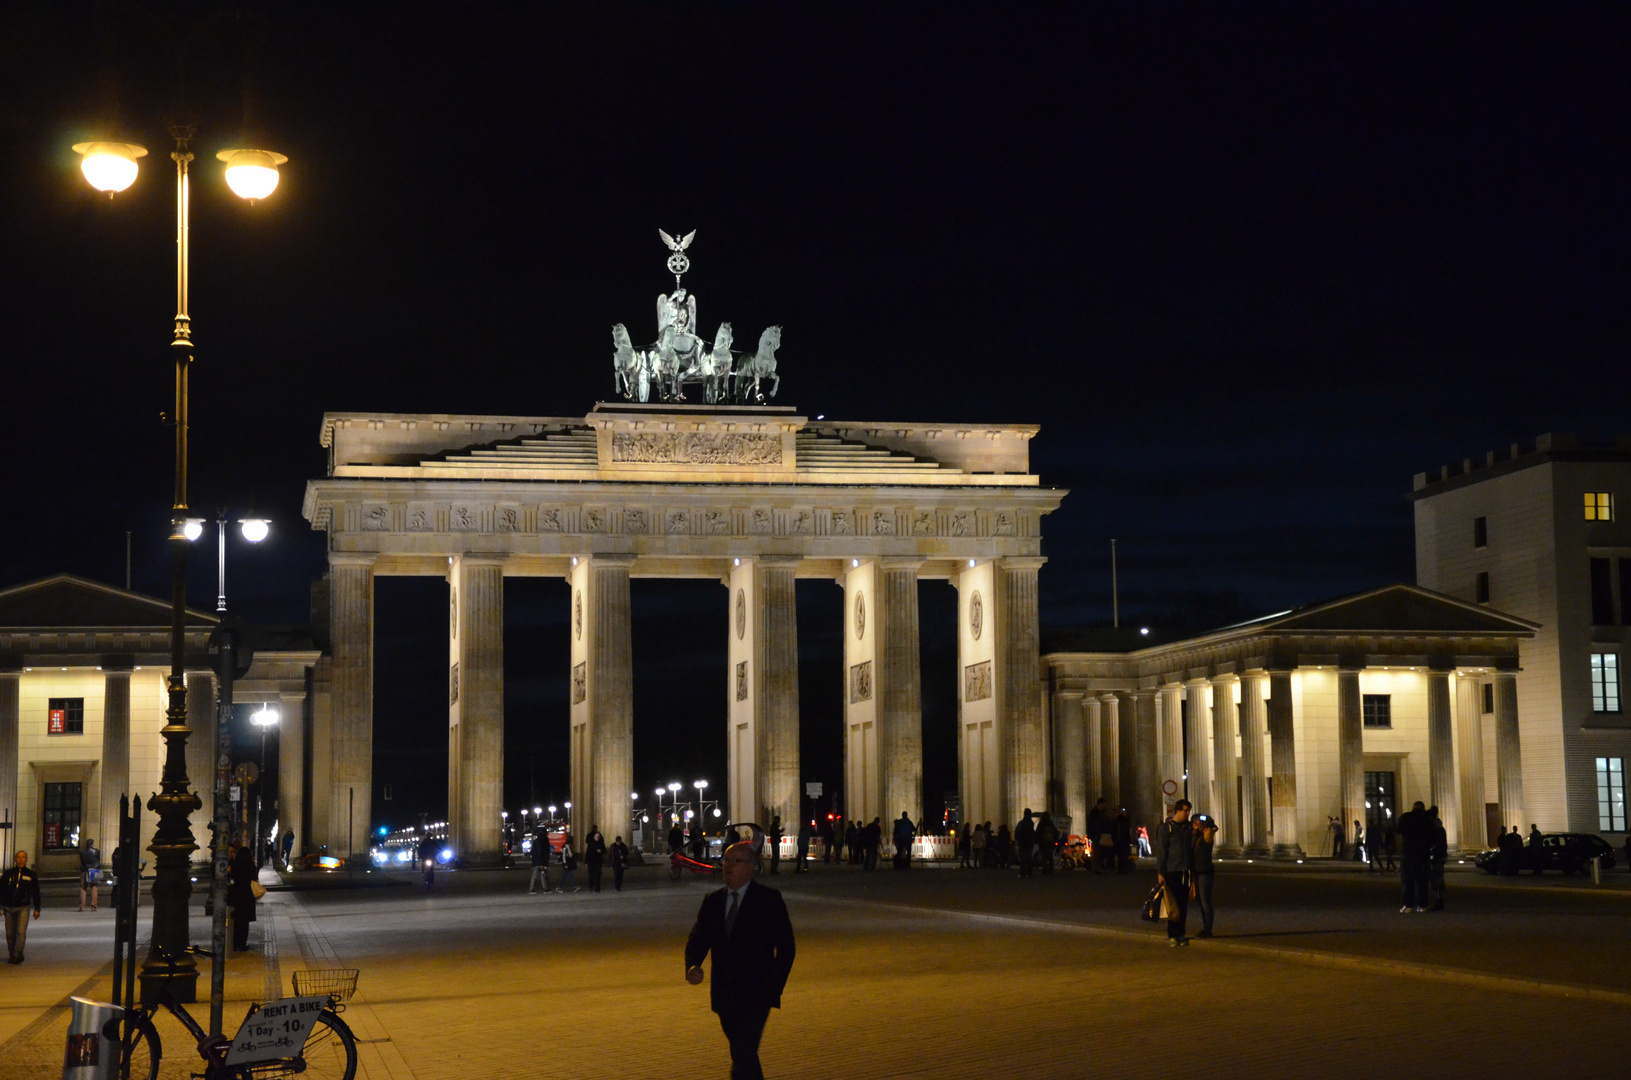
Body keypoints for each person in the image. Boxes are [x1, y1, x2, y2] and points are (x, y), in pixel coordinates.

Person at [684, 841, 796, 1080]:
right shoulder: (713, 901)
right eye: (726, 860)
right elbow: (698, 938)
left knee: (744, 1051)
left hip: (757, 993)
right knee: (741, 1053)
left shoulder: (768, 900)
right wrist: (693, 965)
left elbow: (786, 948)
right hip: (724, 992)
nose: (728, 866)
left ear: (752, 868)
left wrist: (774, 987)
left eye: (737, 861)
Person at [1153, 800, 1196, 946]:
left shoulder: (1188, 827)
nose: (1187, 813)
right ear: (1177, 811)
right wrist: (1160, 872)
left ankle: (1181, 934)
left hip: (1186, 870)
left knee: (1183, 904)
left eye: (1189, 811)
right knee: (1173, 904)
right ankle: (1172, 934)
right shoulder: (1166, 829)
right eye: (1185, 810)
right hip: (1172, 871)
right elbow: (1162, 852)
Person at [1, 851, 42, 964]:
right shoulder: (8, 874)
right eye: (18, 857)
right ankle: (11, 953)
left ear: (26, 859)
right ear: (15, 859)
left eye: (23, 857)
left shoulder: (30, 875)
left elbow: (36, 892)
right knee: (10, 933)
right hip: (8, 907)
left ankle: (17, 954)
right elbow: (1, 890)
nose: (20, 859)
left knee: (20, 932)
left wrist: (37, 908)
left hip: (23, 907)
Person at [1397, 801, 1433, 912]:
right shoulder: (1428, 819)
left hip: (1408, 852)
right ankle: (1422, 905)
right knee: (1422, 880)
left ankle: (1408, 905)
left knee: (1408, 880)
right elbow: (1433, 836)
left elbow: (1398, 829)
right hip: (1423, 853)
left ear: (1413, 807)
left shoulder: (1406, 817)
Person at [228, 843, 258, 951]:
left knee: (236, 921)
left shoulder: (234, 865)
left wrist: (233, 883)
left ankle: (234, 943)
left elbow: (232, 879)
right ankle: (242, 944)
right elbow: (255, 879)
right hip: (247, 896)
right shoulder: (251, 866)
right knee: (245, 922)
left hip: (236, 895)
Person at [1192, 814, 1218, 938]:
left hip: (1205, 873)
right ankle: (1205, 927)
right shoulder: (1195, 836)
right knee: (1200, 901)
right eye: (1195, 822)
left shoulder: (1207, 835)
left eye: (1198, 823)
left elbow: (1213, 829)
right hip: (1196, 872)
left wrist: (1209, 824)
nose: (1196, 824)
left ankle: (1208, 929)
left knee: (1205, 902)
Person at [1427, 807, 1448, 911]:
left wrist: (1432, 853)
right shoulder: (1440, 828)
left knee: (1436, 879)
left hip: (1437, 857)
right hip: (1440, 856)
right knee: (1437, 879)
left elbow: (1437, 844)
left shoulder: (1436, 829)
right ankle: (1439, 900)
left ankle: (1439, 900)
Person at [1087, 798, 1112, 874]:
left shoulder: (1102, 813)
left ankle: (1099, 867)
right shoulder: (1094, 813)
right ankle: (1095, 868)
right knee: (1096, 852)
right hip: (1096, 835)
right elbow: (1092, 825)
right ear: (1100, 804)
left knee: (1101, 852)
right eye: (1104, 804)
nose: (1105, 806)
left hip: (1102, 835)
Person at [528, 824, 552, 894]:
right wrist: (542, 863)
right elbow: (541, 852)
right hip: (540, 861)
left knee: (538, 874)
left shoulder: (536, 841)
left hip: (536, 861)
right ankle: (536, 888)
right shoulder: (543, 842)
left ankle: (537, 888)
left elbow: (534, 852)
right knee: (539, 874)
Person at [78, 837, 101, 911]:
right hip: (94, 870)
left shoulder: (82, 852)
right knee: (94, 888)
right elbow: (98, 860)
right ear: (92, 844)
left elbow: (82, 862)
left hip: (85, 870)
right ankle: (93, 906)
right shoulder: (96, 851)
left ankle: (82, 906)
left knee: (83, 888)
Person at [1014, 809, 1037, 877]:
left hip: (1023, 843)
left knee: (1023, 859)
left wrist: (1017, 840)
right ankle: (1029, 873)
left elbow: (1017, 832)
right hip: (1030, 843)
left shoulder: (1022, 823)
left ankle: (1023, 873)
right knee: (1029, 858)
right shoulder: (1031, 823)